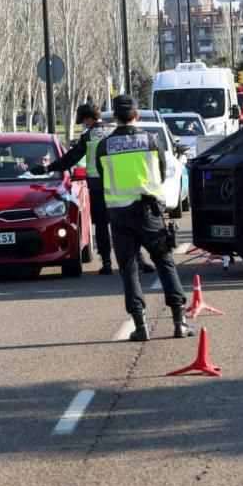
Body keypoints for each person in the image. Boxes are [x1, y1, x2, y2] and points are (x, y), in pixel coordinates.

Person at [93, 95, 193, 342]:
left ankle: (141, 325)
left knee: (129, 270)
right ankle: (179, 323)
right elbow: (160, 173)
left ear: (114, 117)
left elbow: (103, 172)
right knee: (165, 263)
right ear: (136, 115)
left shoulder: (104, 146)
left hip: (119, 216)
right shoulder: (151, 141)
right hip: (148, 213)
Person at [31, 103, 153, 276]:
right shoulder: (113, 130)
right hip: (120, 184)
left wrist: (46, 169)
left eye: (84, 121)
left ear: (89, 119)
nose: (84, 124)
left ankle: (107, 263)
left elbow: (69, 160)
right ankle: (140, 260)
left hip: (97, 186)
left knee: (102, 225)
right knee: (129, 223)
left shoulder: (87, 136)